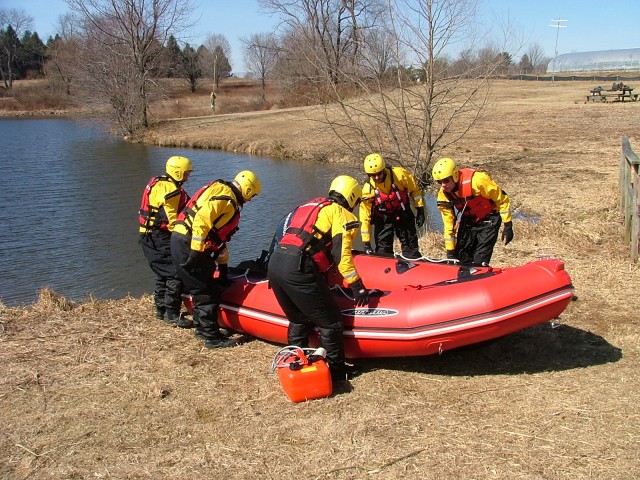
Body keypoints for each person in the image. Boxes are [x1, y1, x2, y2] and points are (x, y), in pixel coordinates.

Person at [267, 175, 368, 382]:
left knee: (298, 320)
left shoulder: (310, 205)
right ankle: (338, 373)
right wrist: (357, 286)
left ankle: (296, 361)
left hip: (276, 262)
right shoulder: (342, 214)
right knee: (331, 323)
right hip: (298, 267)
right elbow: (342, 257)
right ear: (351, 198)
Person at [171, 170, 261, 348]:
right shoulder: (227, 199)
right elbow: (202, 221)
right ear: (248, 190)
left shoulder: (220, 189)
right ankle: (212, 338)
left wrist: (223, 267)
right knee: (206, 292)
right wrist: (196, 252)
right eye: (252, 195)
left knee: (201, 287)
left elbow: (218, 239)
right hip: (189, 243)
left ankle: (201, 328)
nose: (250, 200)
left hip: (181, 239)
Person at [139, 155, 192, 324]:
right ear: (177, 173)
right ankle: (172, 314)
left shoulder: (159, 182)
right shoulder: (171, 191)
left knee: (163, 272)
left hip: (148, 236)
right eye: (186, 174)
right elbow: (171, 221)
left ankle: (160, 309)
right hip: (158, 237)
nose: (187, 177)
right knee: (175, 274)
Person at [431, 157, 513, 266]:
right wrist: (450, 252)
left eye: (446, 180)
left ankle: (480, 276)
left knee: (479, 260)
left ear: (455, 175)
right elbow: (448, 223)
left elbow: (501, 199)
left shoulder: (478, 181)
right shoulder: (444, 194)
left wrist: (508, 225)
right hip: (468, 221)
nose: (443, 185)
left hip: (489, 220)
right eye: (439, 182)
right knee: (461, 258)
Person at [359, 153, 426, 259]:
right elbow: (365, 217)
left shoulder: (399, 175)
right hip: (383, 219)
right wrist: (366, 242)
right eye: (373, 175)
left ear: (384, 169)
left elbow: (414, 190)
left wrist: (420, 209)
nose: (377, 177)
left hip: (403, 213)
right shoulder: (368, 190)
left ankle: (414, 266)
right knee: (383, 251)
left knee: (410, 247)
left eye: (379, 173)